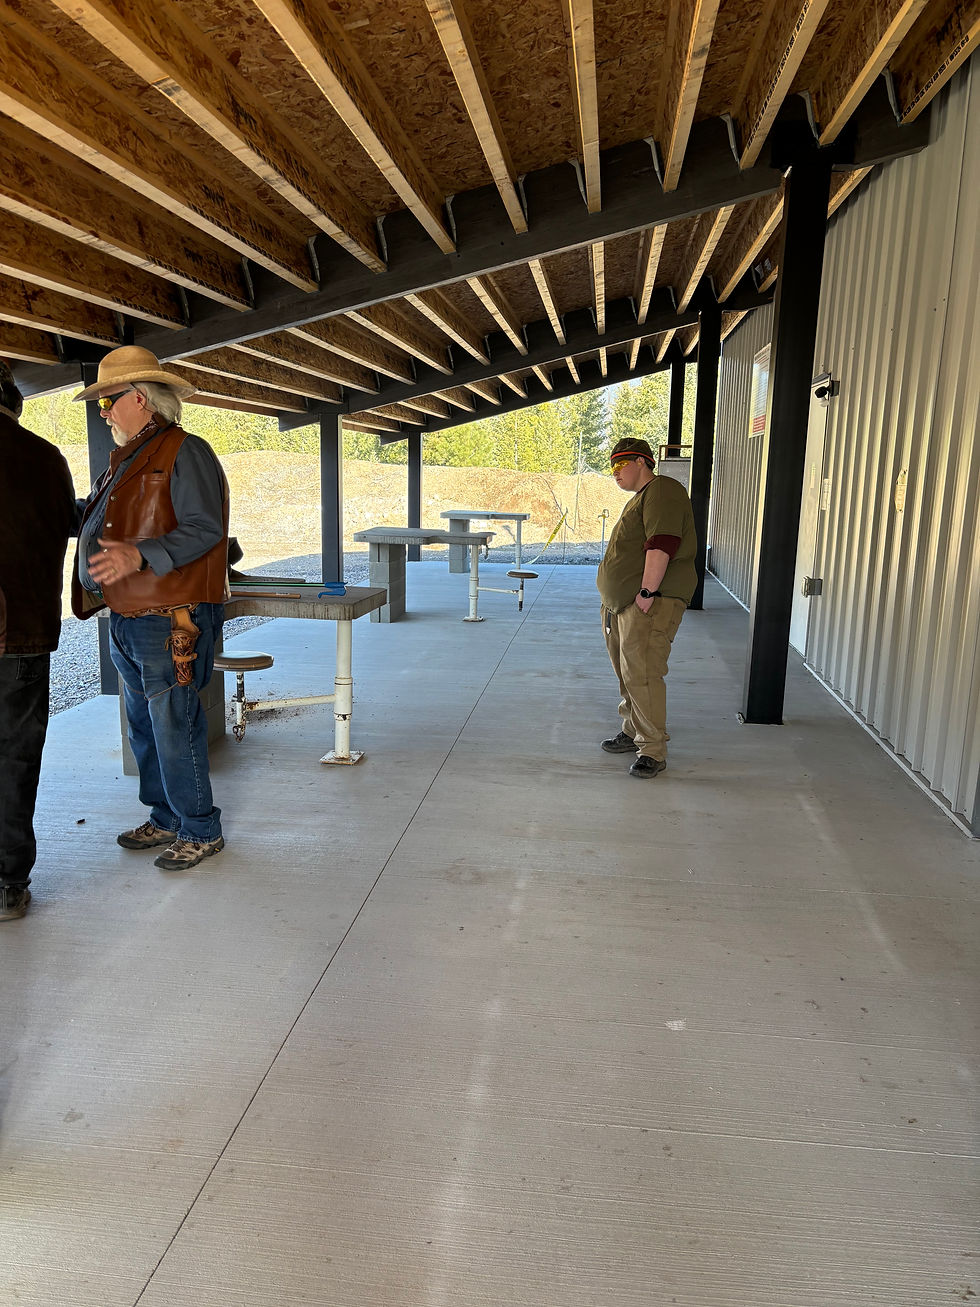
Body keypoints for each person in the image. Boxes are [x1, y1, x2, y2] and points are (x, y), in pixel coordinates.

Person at [72, 346, 230, 870]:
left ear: (139, 398)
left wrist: (139, 554)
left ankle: (200, 830)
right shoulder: (129, 458)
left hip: (170, 619)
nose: (104, 413)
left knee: (173, 726)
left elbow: (206, 528)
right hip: (129, 618)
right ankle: (164, 817)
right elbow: (103, 518)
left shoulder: (185, 450)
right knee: (144, 726)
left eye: (108, 402)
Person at [0, 361, 77, 920]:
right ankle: (8, 883)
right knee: (16, 759)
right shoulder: (47, 458)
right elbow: (71, 523)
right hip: (25, 634)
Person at [596, 437, 697, 778]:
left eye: (620, 464)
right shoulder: (641, 498)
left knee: (643, 673)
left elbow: (663, 543)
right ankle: (632, 730)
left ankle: (652, 749)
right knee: (628, 672)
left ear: (642, 461)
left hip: (650, 601)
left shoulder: (663, 490)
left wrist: (646, 592)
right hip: (623, 604)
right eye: (611, 467)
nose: (615, 472)